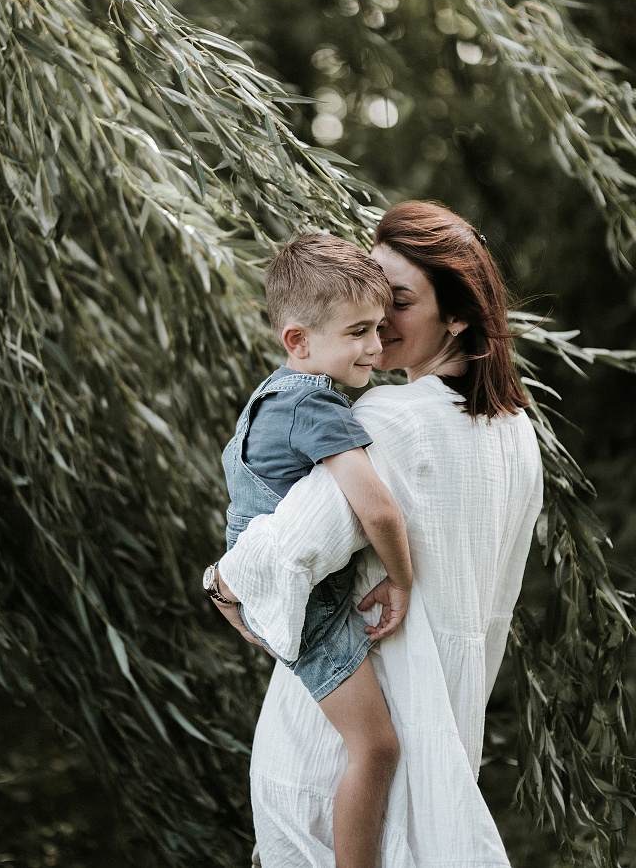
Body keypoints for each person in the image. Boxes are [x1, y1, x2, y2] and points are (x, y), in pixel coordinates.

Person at [213, 201, 544, 868]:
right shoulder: (518, 436)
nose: (376, 322)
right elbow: (494, 614)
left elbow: (283, 553)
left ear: (457, 316)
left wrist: (218, 581)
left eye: (397, 300)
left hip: (331, 771)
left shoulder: (391, 421)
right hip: (437, 746)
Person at [204, 234, 413, 868]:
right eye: (358, 332)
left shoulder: (270, 394)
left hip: (268, 579)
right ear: (299, 340)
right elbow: (375, 506)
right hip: (310, 602)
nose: (376, 347)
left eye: (379, 327)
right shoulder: (314, 404)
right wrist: (401, 579)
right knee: (376, 748)